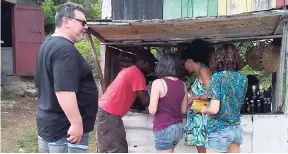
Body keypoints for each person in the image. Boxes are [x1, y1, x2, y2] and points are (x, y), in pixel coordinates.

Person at [35, 2, 98, 153]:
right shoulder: (65, 50)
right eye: (82, 22)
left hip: (49, 122)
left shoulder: (47, 44)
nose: (86, 27)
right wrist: (76, 123)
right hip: (65, 129)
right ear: (66, 21)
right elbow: (64, 90)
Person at [96, 50, 157, 153]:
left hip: (105, 111)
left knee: (105, 149)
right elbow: (145, 101)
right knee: (118, 149)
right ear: (143, 63)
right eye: (151, 65)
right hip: (110, 114)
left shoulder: (130, 71)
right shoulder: (137, 74)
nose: (152, 69)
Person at [200, 44, 248, 153]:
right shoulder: (242, 78)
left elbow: (214, 109)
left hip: (219, 130)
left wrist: (203, 109)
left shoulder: (217, 78)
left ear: (217, 59)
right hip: (236, 129)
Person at [148, 53, 188, 153]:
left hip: (164, 127)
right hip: (178, 127)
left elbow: (152, 110)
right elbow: (183, 110)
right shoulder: (183, 84)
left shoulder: (158, 83)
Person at [181, 39, 212, 153]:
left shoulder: (204, 71)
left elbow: (212, 93)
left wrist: (193, 98)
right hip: (199, 118)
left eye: (184, 63)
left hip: (203, 120)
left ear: (189, 61)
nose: (184, 67)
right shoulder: (200, 72)